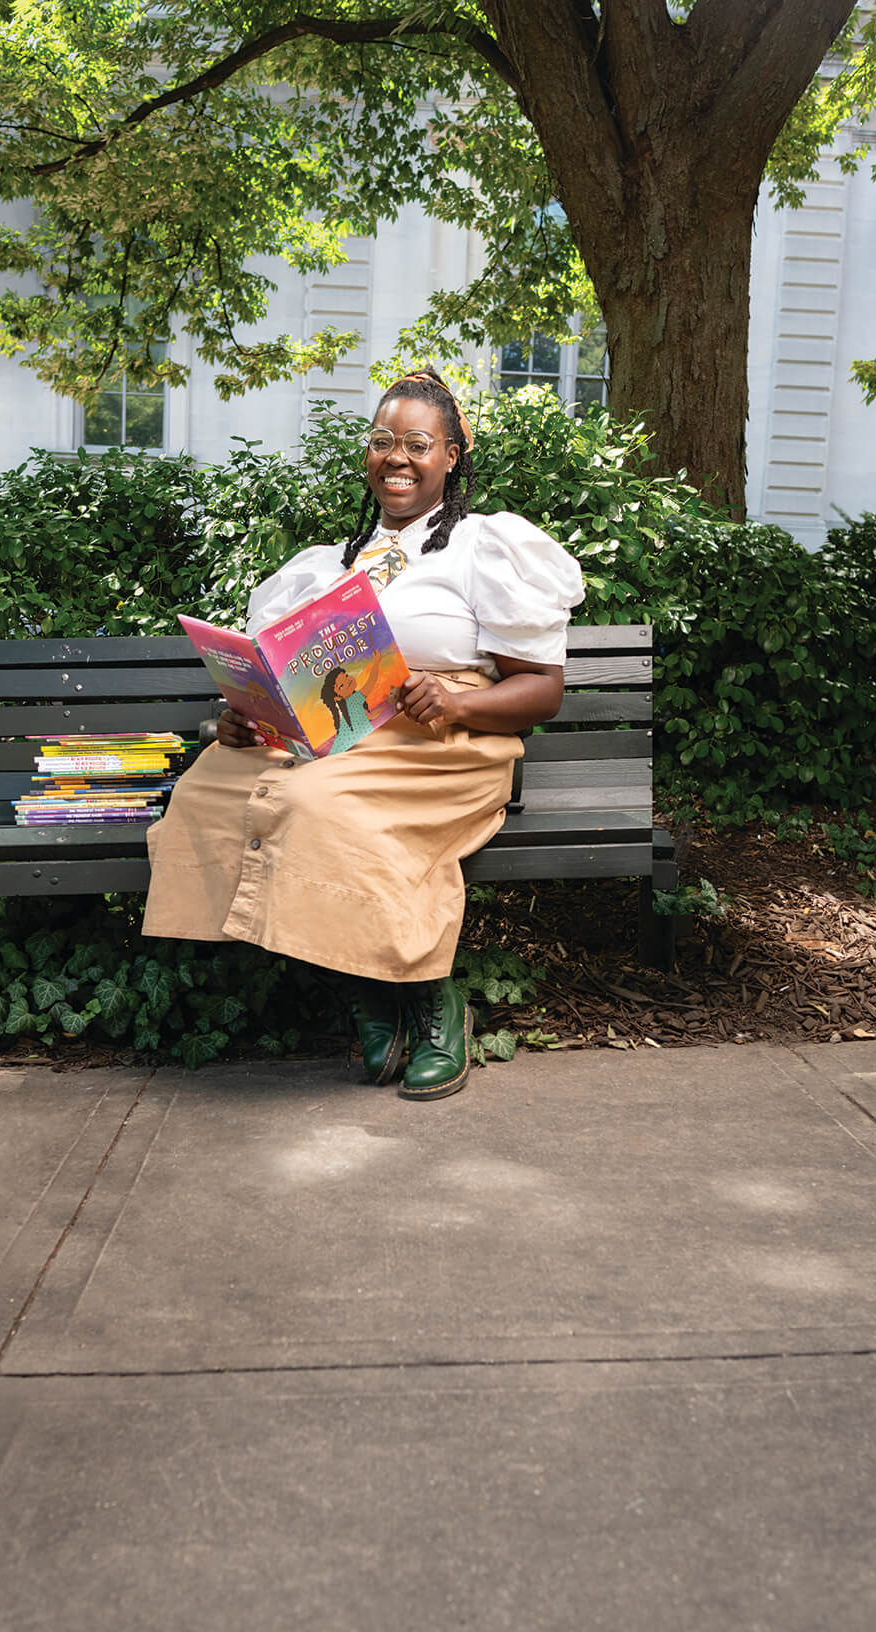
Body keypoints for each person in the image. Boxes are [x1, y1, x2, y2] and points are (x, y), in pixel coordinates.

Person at [143, 369, 583, 1099]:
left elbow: (544, 689)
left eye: (418, 443)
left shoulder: (485, 547)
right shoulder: (327, 565)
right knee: (208, 791)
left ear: (452, 454)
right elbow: (288, 677)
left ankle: (430, 1000)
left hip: (443, 740)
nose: (398, 458)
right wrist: (245, 717)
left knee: (315, 809)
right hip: (338, 733)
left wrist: (454, 700)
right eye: (384, 442)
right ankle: (366, 991)